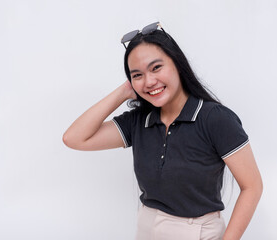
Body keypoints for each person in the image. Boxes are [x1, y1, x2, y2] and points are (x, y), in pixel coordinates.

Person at [63, 22, 263, 240]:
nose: (149, 81)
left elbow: (252, 186)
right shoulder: (140, 120)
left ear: (177, 64)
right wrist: (123, 91)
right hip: (147, 228)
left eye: (156, 68)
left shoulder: (215, 119)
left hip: (196, 232)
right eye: (137, 74)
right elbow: (74, 138)